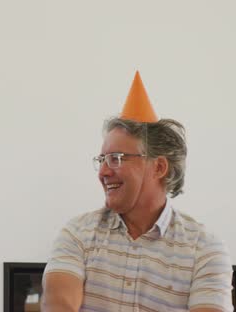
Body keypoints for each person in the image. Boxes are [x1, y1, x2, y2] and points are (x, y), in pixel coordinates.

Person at [42, 72, 233, 312]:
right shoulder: (77, 234)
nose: (103, 172)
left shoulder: (205, 249)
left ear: (159, 167)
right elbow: (57, 306)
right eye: (101, 159)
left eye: (116, 159)